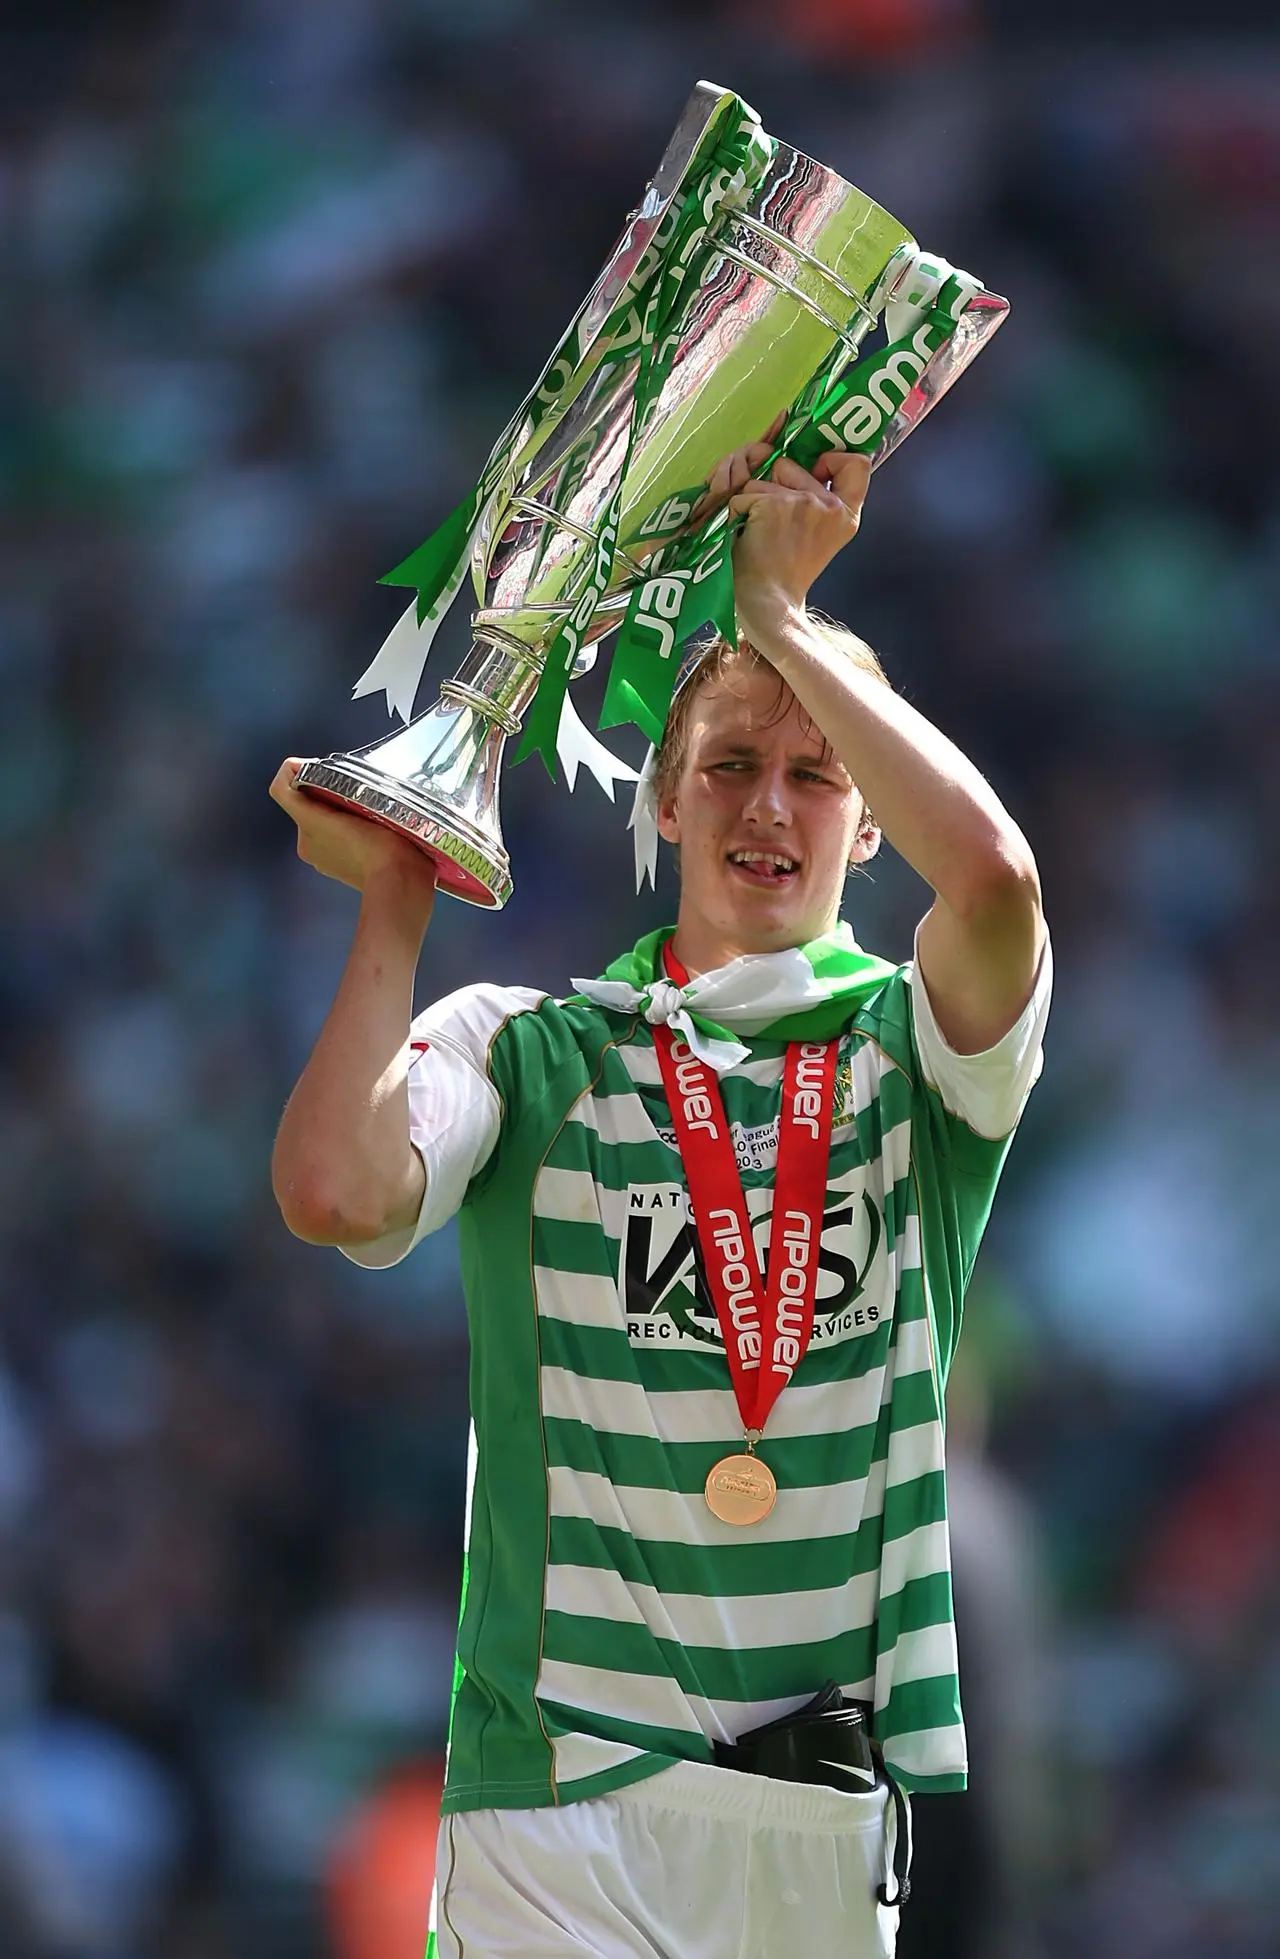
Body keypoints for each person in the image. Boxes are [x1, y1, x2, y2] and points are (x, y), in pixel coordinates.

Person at [270, 440, 1051, 1959]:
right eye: (730, 766)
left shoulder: (920, 1057)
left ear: (870, 820)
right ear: (671, 806)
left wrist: (779, 620)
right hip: (556, 1787)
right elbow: (328, 1185)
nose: (774, 801)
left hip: (816, 1812)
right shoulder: (532, 1048)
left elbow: (1003, 890)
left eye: (817, 769)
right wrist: (397, 895)